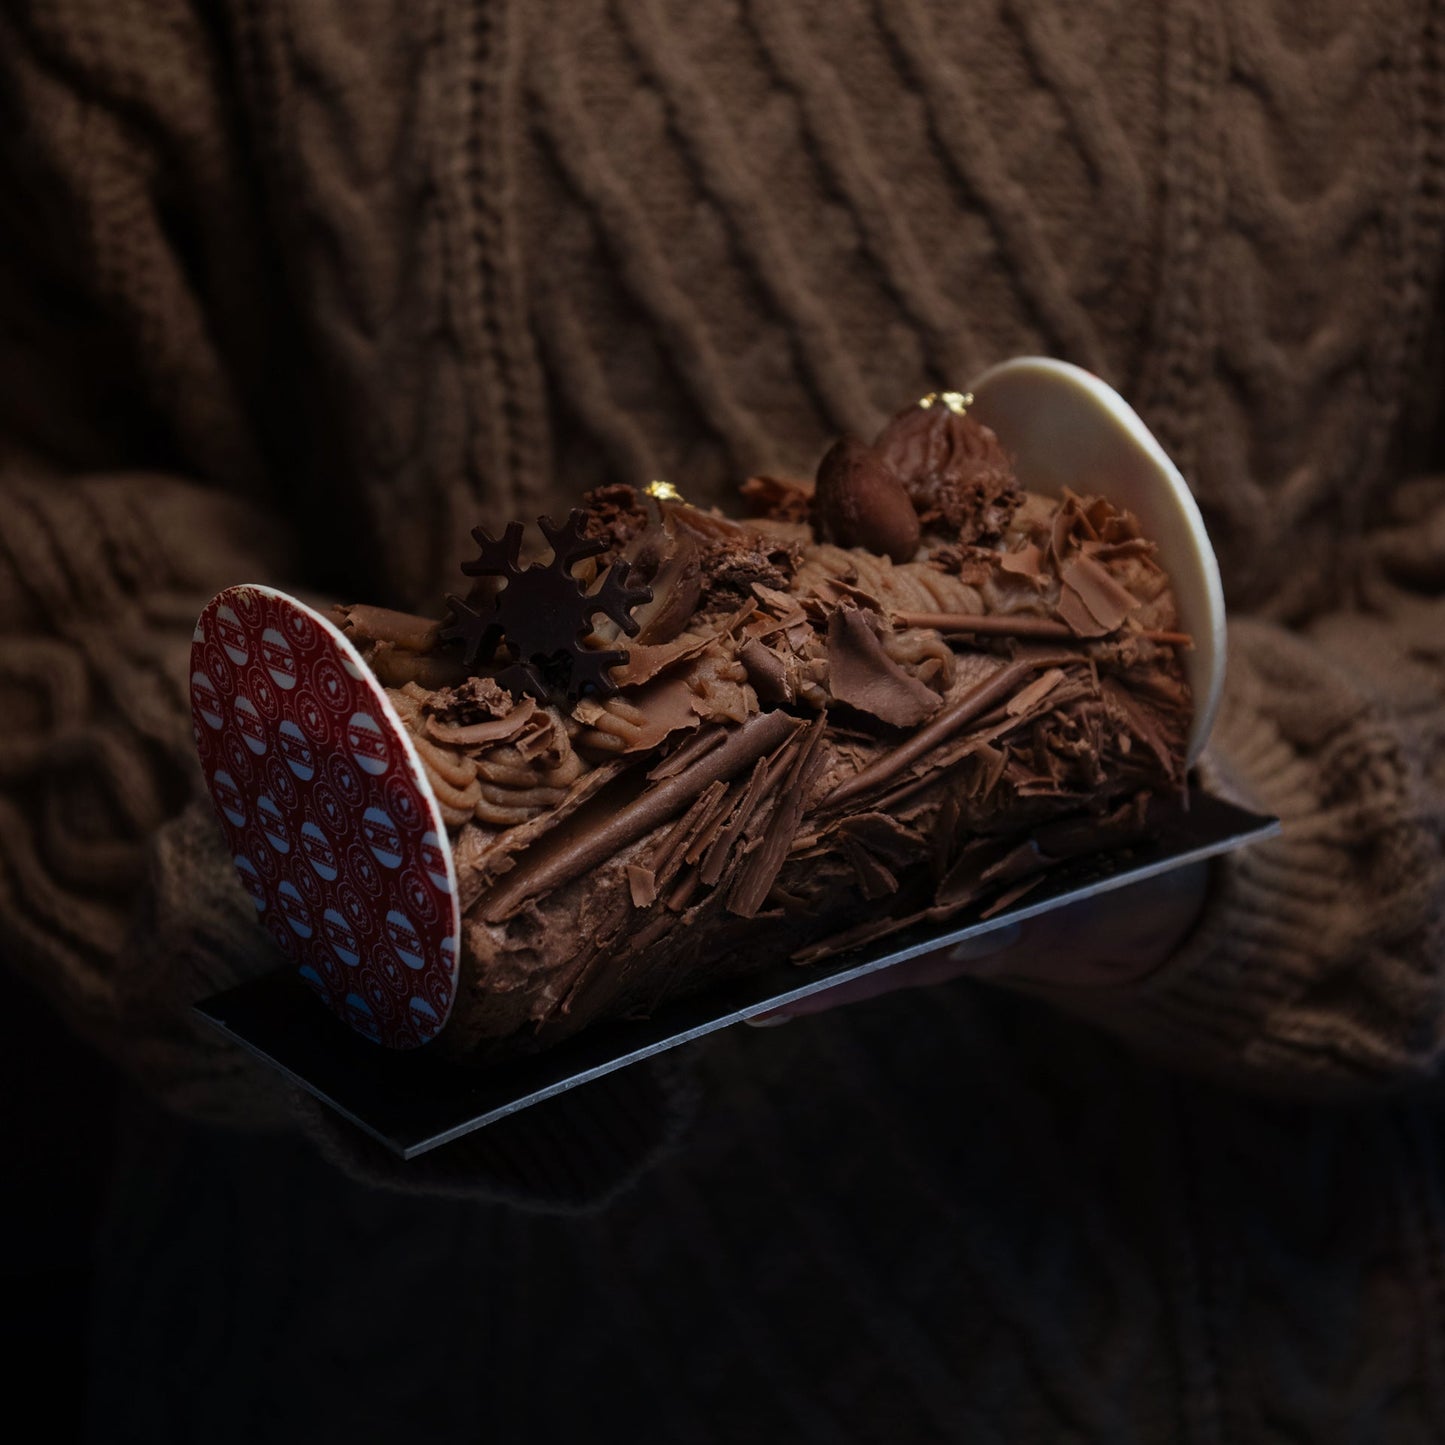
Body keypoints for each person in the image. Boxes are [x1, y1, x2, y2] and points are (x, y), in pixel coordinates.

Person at [4, 0, 1445, 1437]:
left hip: (1227, 1345)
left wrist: (1234, 824)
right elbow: (55, 533)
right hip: (387, 1353)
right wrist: (312, 867)